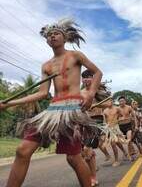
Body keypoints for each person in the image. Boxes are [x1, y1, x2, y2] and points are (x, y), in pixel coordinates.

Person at [0, 18, 102, 187]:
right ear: (46, 41)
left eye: (56, 33)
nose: (52, 37)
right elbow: (42, 93)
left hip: (72, 110)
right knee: (22, 151)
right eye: (49, 35)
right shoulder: (46, 65)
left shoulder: (75, 55)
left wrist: (91, 94)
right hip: (52, 111)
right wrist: (9, 103)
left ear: (64, 37)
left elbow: (97, 72)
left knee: (73, 158)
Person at [81, 70, 110, 186]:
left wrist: (95, 104)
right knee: (83, 152)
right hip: (83, 122)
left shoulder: (99, 91)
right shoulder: (80, 92)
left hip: (96, 121)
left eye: (88, 77)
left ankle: (93, 177)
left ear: (93, 79)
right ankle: (92, 165)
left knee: (87, 149)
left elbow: (109, 103)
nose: (86, 80)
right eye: (84, 78)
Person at [102, 96, 128, 167]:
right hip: (109, 128)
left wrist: (118, 120)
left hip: (116, 128)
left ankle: (116, 160)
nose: (108, 103)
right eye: (106, 102)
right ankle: (124, 151)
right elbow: (104, 121)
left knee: (115, 143)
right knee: (115, 143)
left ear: (112, 101)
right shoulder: (104, 111)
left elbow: (122, 116)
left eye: (109, 101)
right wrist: (105, 128)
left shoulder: (117, 108)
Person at [118, 96, 137, 161]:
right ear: (118, 102)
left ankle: (129, 155)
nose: (121, 102)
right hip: (120, 127)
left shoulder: (129, 107)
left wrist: (136, 126)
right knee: (121, 141)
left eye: (122, 101)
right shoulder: (117, 109)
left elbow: (134, 117)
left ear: (125, 101)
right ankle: (127, 152)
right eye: (120, 101)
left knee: (129, 140)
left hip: (128, 126)